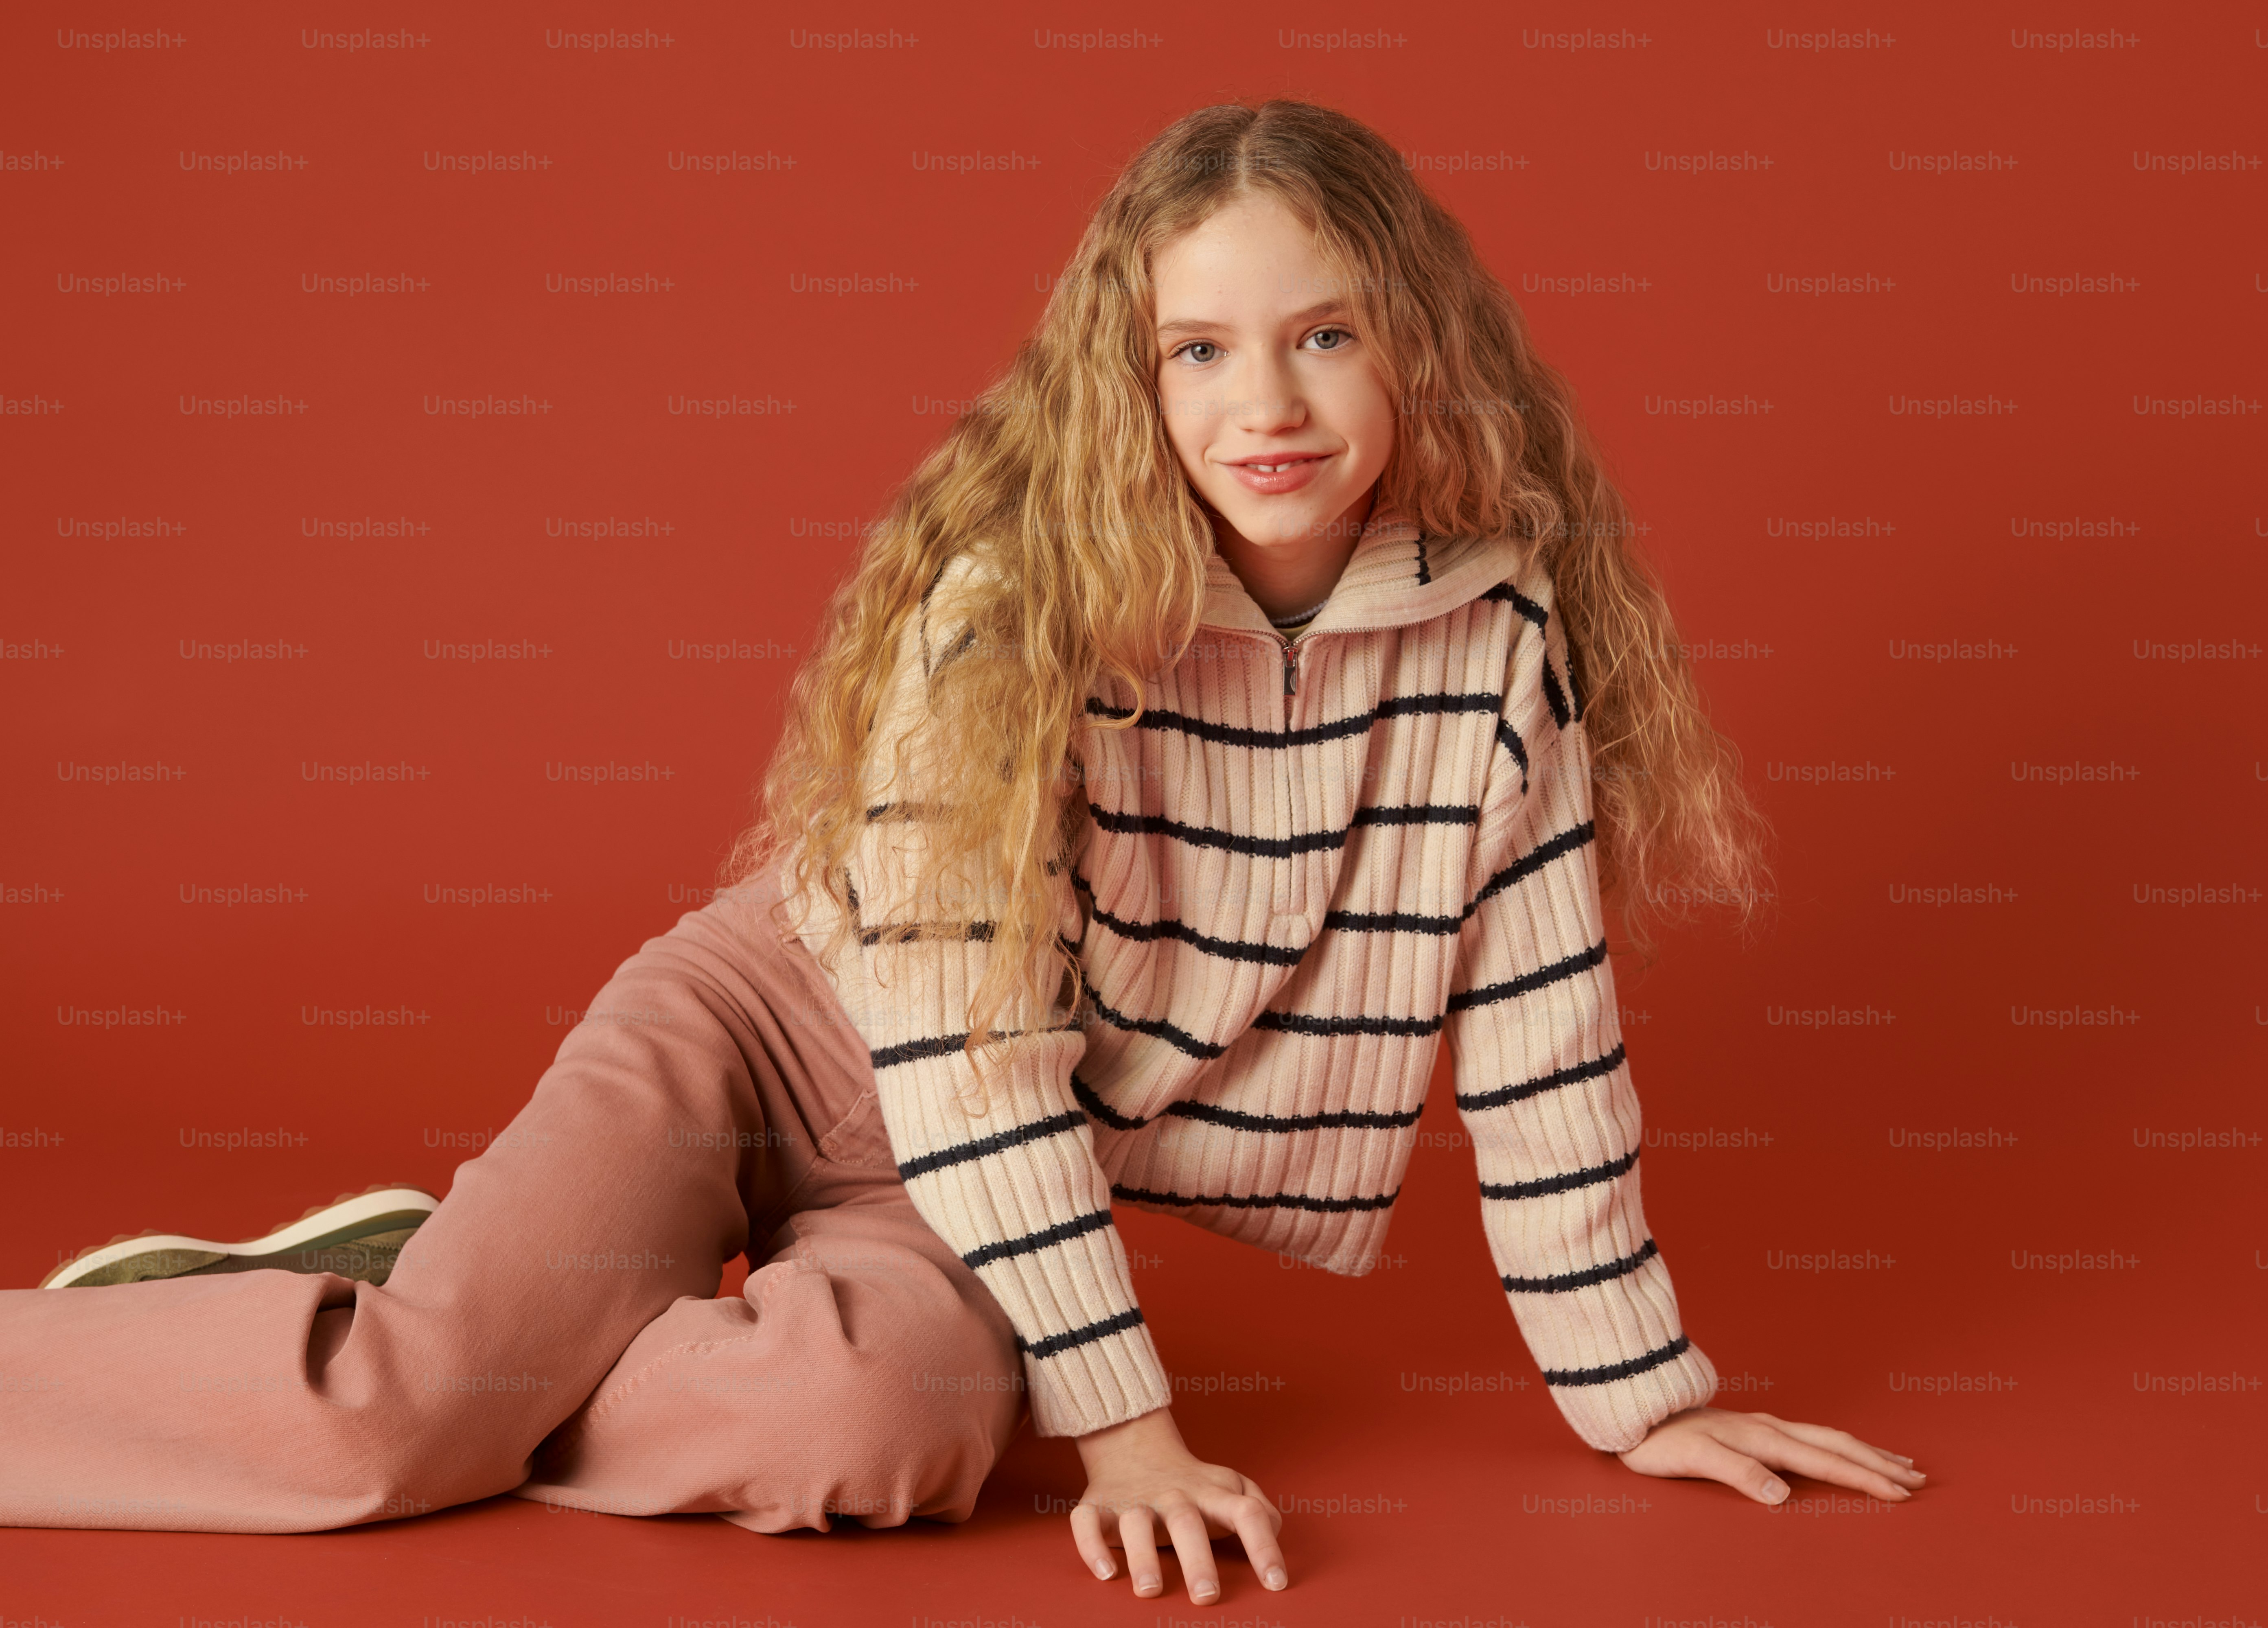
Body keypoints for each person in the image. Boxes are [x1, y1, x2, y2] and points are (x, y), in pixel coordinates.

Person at [0, 98, 1922, 1602]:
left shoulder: (1495, 656)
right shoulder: (1015, 612)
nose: (1263, 404)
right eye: (1197, 351)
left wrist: (1638, 1396)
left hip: (990, 1168)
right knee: (386, 1422)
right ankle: (431, 1336)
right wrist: (1135, 1429)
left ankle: (483, 1311)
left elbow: (1540, 1048)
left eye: (1322, 335)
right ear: (1131, 375)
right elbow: (963, 1046)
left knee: (882, 1428)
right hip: (784, 1037)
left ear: (1412, 345)